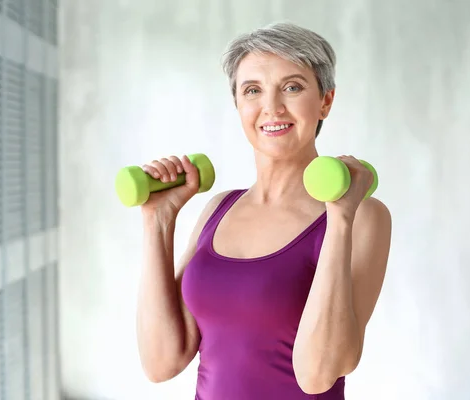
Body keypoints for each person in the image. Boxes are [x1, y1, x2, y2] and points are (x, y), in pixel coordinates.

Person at [135, 22, 392, 399]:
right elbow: (161, 362)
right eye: (252, 90)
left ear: (325, 101)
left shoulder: (361, 216)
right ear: (238, 103)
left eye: (292, 87)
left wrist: (339, 219)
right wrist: (157, 221)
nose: (271, 108)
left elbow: (318, 374)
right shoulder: (219, 209)